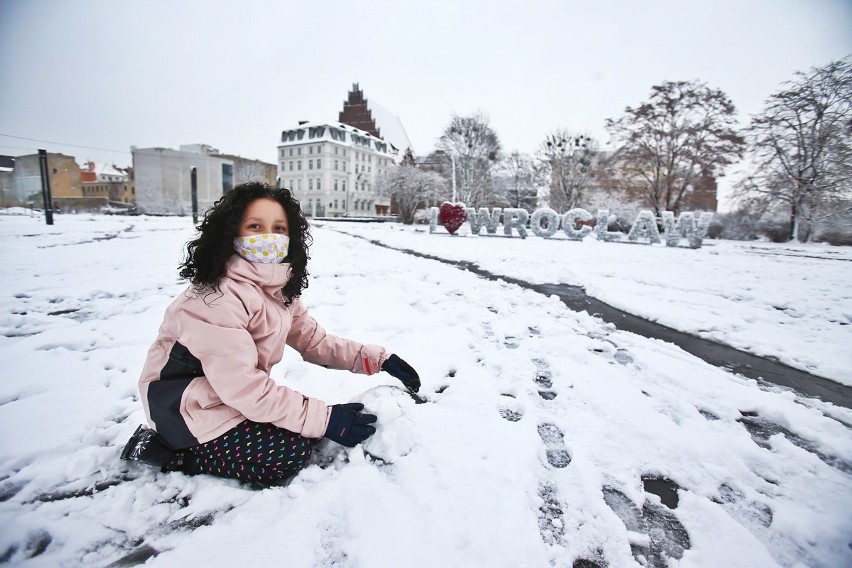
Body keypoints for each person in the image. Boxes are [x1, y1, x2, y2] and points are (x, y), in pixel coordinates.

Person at [120, 182, 420, 486]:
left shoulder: (276, 290)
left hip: (231, 399)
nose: (269, 238)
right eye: (255, 226)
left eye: (279, 228)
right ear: (230, 232)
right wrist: (325, 418)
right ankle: (168, 452)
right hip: (186, 411)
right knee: (289, 455)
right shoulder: (214, 300)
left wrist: (378, 359)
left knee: (303, 432)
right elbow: (246, 388)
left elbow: (314, 341)